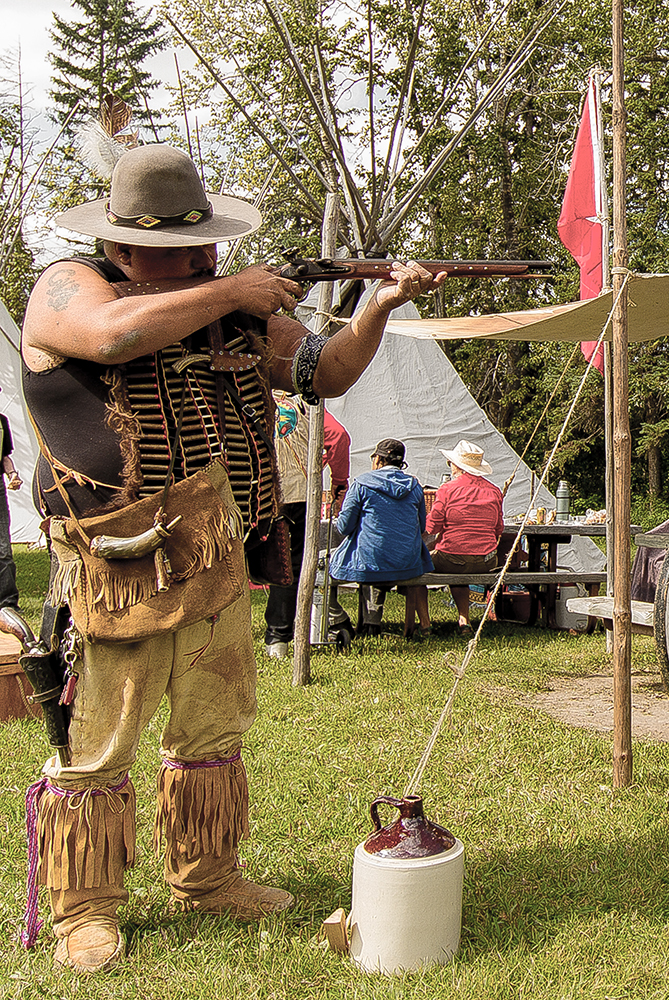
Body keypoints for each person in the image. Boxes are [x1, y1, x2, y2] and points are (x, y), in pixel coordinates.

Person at [18, 143, 444, 974]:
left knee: (212, 730)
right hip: (116, 561)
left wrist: (379, 307)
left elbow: (329, 371)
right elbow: (110, 337)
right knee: (98, 748)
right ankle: (84, 908)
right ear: (125, 247)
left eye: (208, 249)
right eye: (187, 251)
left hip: (212, 553)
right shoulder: (68, 287)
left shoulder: (232, 312)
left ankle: (207, 875)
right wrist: (232, 290)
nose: (205, 260)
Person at [263, 390, 350, 658]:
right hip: (297, 493)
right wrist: (338, 479)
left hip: (255, 491)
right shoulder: (304, 404)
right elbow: (338, 437)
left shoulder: (251, 396)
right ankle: (278, 638)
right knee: (292, 564)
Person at [329, 438, 434, 639]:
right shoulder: (414, 486)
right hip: (406, 561)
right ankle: (370, 625)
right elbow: (421, 525)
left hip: (372, 559)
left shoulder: (361, 484)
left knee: (319, 569)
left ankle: (339, 619)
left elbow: (344, 527)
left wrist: (340, 510)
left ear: (378, 460)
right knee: (376, 554)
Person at [426, 440, 507, 632]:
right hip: (486, 561)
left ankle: (424, 624)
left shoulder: (447, 489)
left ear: (456, 465)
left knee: (418, 565)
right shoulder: (494, 491)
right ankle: (464, 620)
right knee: (460, 563)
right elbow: (498, 529)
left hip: (452, 559)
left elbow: (432, 526)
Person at [0, 404, 22, 611]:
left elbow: (5, 457)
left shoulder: (1, 421)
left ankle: (7, 604)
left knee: (3, 549)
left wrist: (12, 474)